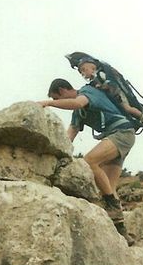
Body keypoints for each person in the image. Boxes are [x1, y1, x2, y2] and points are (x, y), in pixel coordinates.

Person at [39, 78, 135, 236]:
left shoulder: (86, 92)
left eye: (56, 98)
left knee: (90, 161)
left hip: (122, 133)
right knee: (108, 185)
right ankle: (121, 231)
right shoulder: (78, 113)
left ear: (63, 91)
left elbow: (77, 103)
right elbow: (69, 136)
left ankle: (111, 202)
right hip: (118, 136)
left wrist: (48, 103)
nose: (57, 102)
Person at [66, 52, 143, 129]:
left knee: (127, 108)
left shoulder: (101, 74)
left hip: (118, 95)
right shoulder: (95, 79)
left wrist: (102, 86)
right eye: (81, 72)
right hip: (114, 97)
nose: (83, 73)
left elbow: (111, 84)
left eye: (84, 70)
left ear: (92, 66)